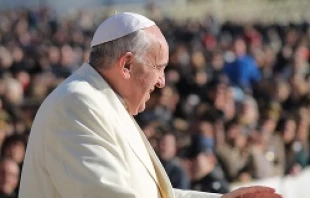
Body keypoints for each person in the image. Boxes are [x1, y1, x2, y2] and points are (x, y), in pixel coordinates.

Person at [18, 12, 282, 198]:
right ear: (127, 65)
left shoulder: (104, 102)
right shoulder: (77, 104)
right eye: (159, 68)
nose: (162, 82)